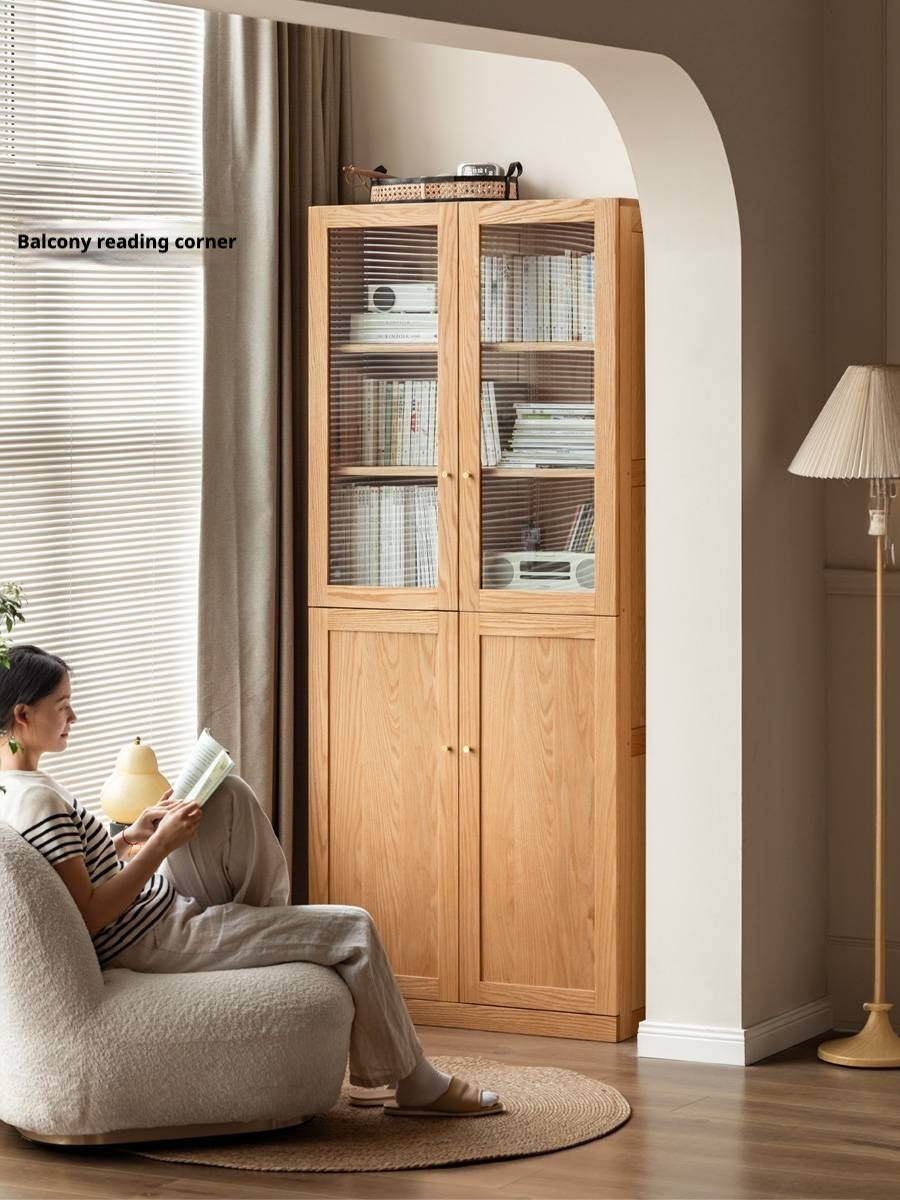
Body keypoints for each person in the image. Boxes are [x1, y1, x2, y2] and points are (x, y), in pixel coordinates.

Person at [0, 644, 503, 1118]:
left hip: (158, 909)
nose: (74, 717)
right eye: (63, 706)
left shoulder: (19, 786)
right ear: (23, 716)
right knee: (354, 928)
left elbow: (69, 880)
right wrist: (160, 846)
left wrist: (131, 835)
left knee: (226, 796)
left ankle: (273, 933)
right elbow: (87, 913)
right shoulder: (37, 799)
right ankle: (414, 1081)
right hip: (155, 937)